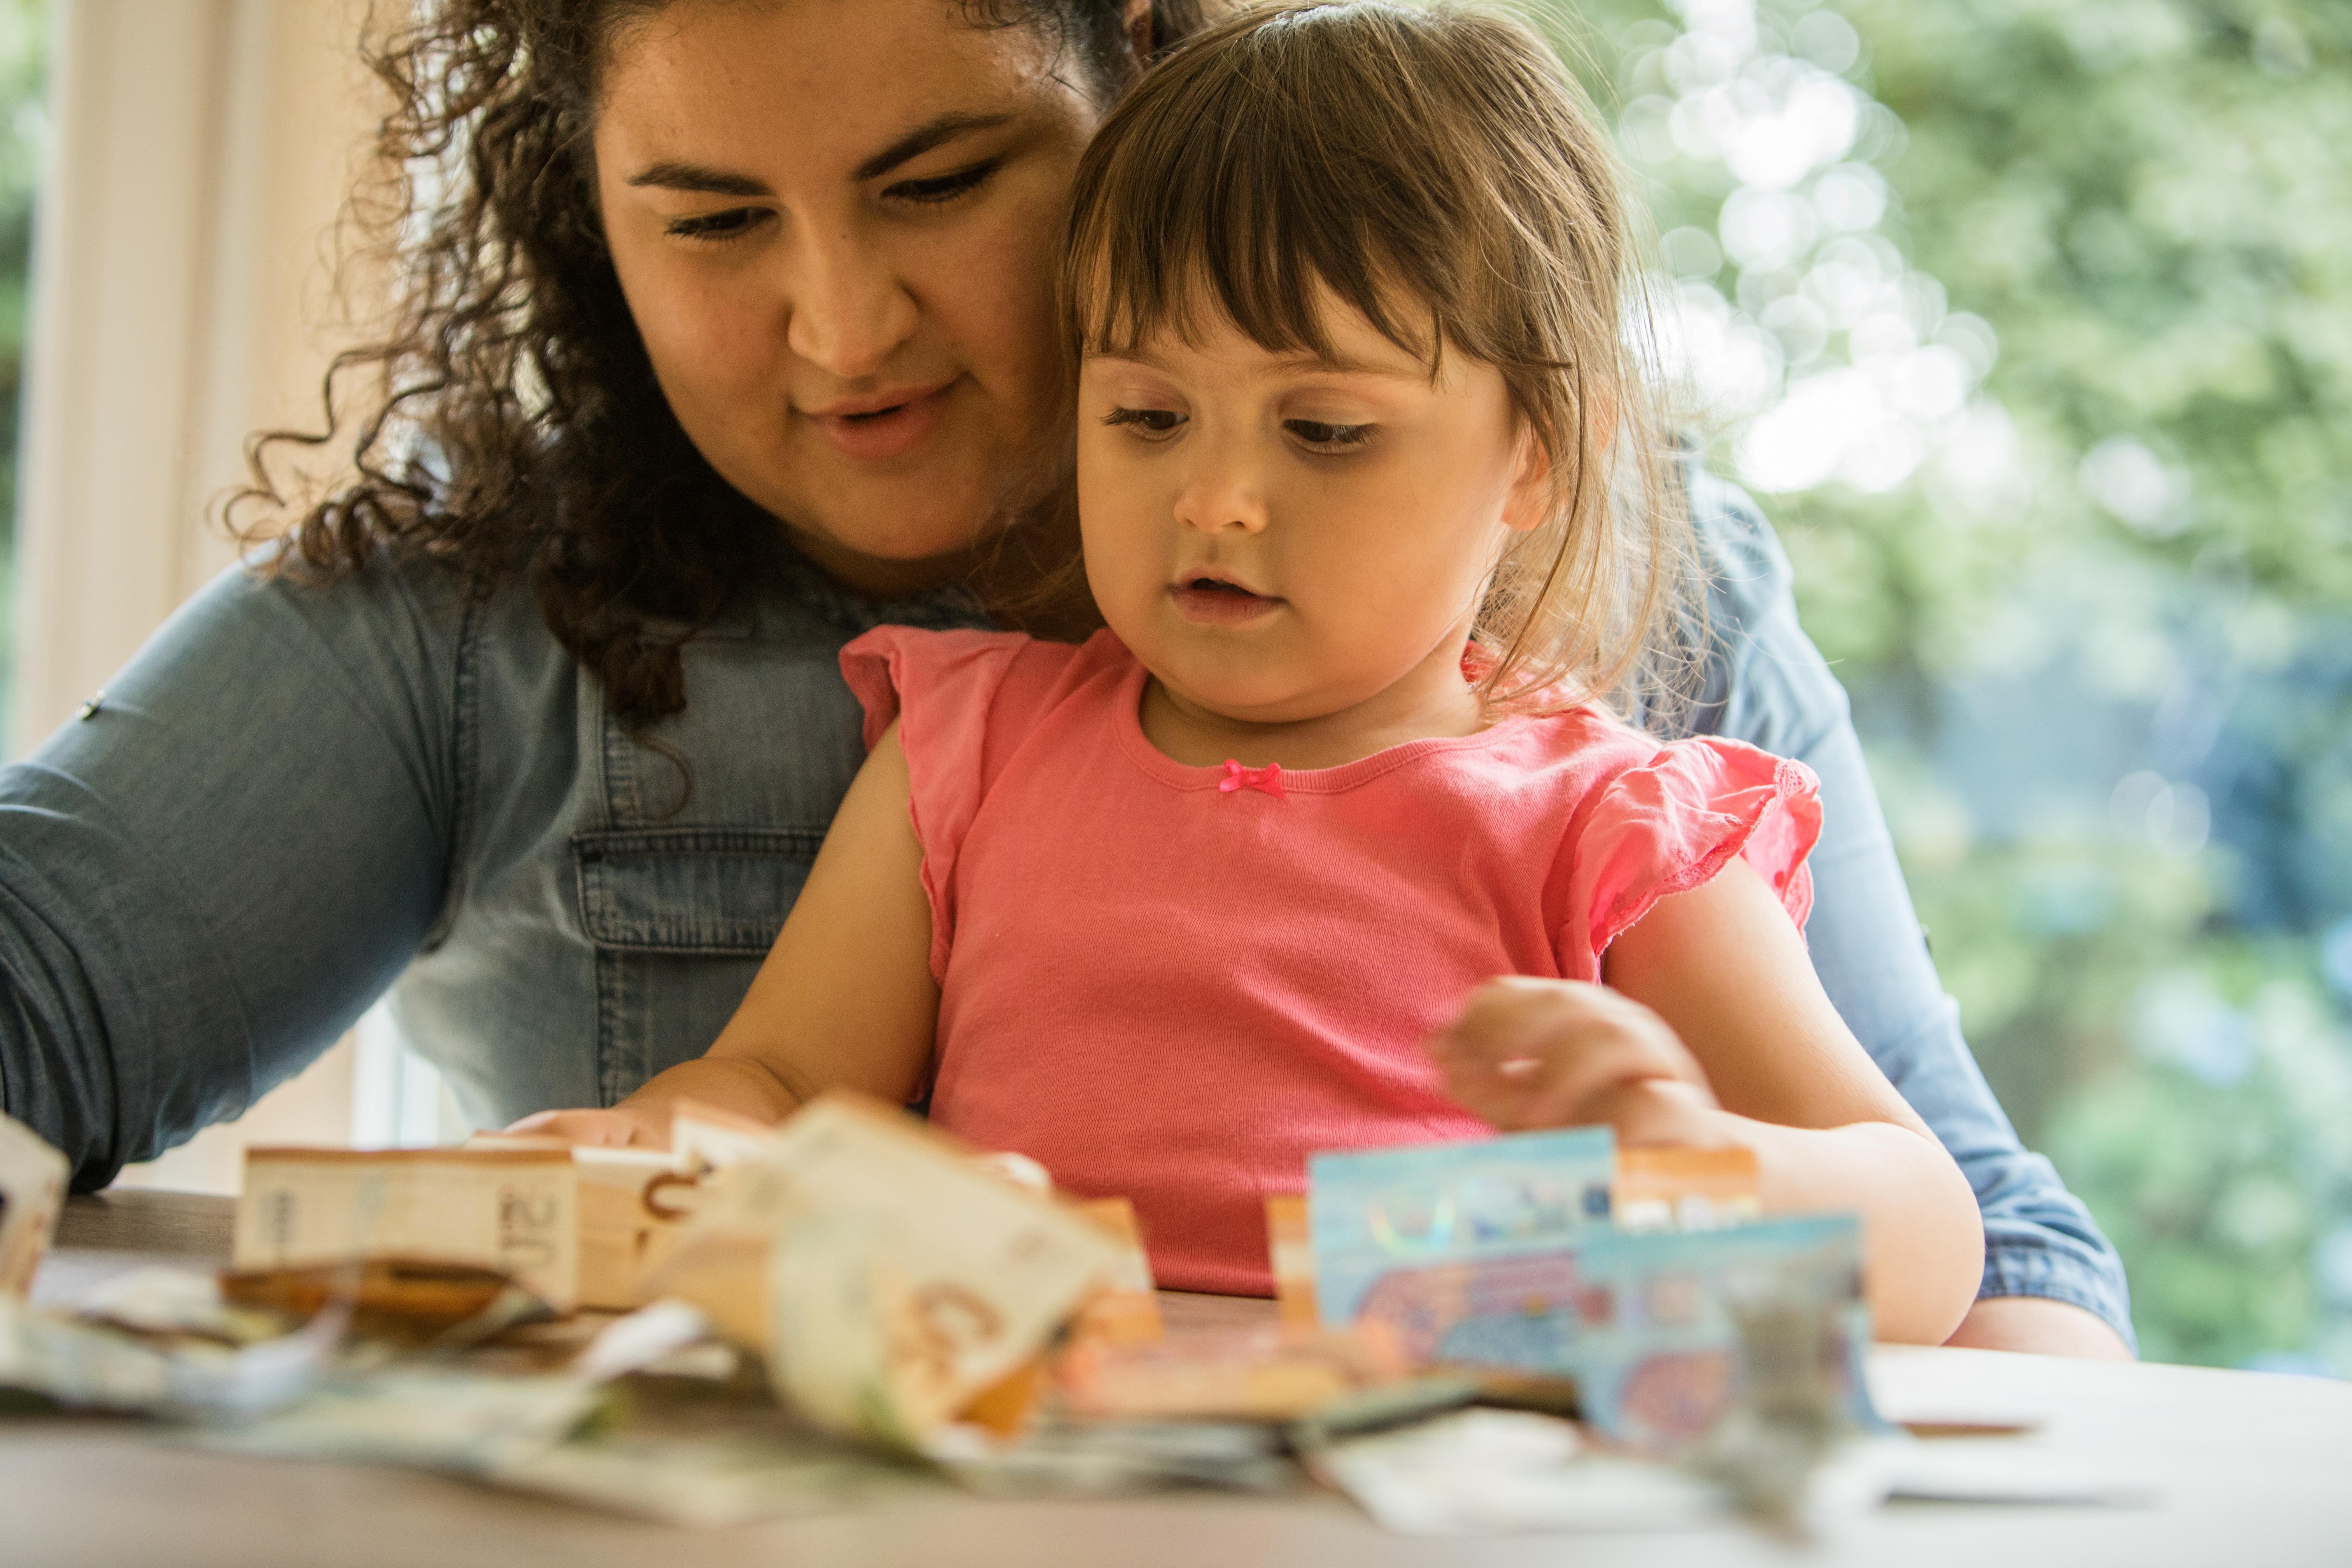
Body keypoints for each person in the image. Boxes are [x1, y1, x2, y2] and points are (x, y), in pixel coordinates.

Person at [0, 0, 2130, 1354]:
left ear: (1134, 85)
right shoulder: (848, 705)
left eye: (938, 182)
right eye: (715, 222)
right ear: (590, 222)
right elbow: (759, 1089)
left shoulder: (1628, 686)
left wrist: (1700, 1205)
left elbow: (1972, 1252)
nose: (842, 329)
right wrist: (663, 1158)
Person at [517, 0, 1986, 1343]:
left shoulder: (1609, 827)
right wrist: (663, 1140)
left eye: (1325, 431)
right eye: (1149, 416)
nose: (1215, 499)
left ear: (1539, 449)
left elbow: (1926, 1232)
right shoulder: (969, 751)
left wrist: (1697, 1171)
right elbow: (776, 1085)